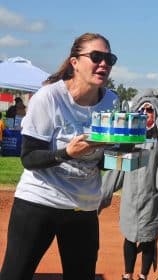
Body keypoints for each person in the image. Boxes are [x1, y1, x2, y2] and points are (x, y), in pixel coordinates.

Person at [0, 32, 119, 280]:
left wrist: (125, 153)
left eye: (110, 59)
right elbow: (29, 158)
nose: (104, 64)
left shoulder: (111, 101)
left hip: (83, 207)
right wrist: (66, 153)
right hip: (39, 202)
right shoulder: (49, 97)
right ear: (74, 62)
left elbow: (101, 161)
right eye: (96, 57)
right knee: (15, 275)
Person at [100, 89, 158, 280]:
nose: (146, 114)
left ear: (156, 114)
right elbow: (117, 167)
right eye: (143, 110)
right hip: (130, 197)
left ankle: (143, 275)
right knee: (130, 237)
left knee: (149, 239)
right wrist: (101, 195)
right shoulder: (131, 138)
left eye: (150, 111)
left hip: (152, 197)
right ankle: (127, 274)